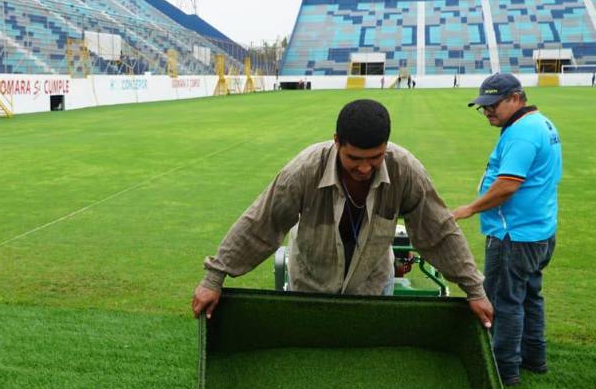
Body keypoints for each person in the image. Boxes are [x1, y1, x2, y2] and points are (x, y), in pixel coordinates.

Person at [192, 99, 493, 328]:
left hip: (373, 287)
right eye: (355, 158)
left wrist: (474, 289)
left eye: (375, 158)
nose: (365, 168)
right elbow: (261, 223)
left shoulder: (406, 170)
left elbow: (438, 232)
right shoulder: (303, 171)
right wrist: (214, 278)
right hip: (311, 286)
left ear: (386, 146)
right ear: (337, 142)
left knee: (363, 364)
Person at [452, 73, 562, 387]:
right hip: (538, 230)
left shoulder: (522, 133)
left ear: (516, 98)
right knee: (529, 296)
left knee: (504, 301)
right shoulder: (541, 124)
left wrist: (468, 209)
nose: (487, 111)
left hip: (512, 234)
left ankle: (503, 371)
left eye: (493, 104)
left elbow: (507, 185)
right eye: (483, 106)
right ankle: (534, 358)